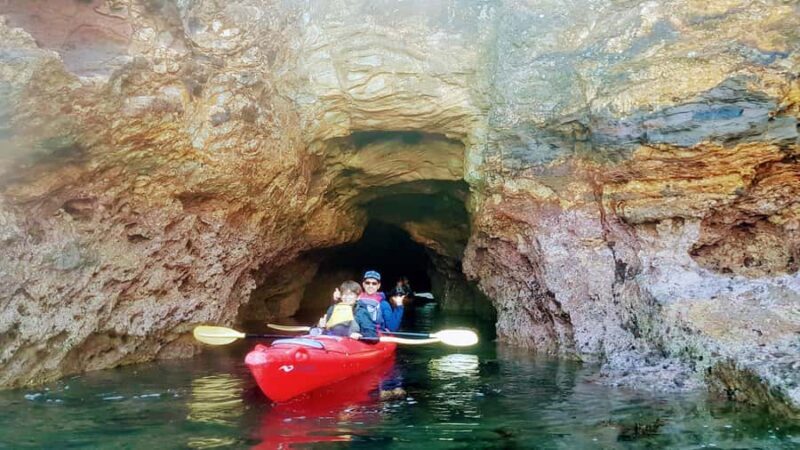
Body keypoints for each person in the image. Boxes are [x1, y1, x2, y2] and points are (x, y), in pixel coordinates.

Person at [354, 270, 386, 339]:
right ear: (363, 284)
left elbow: (392, 327)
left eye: (374, 283)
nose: (370, 286)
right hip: (355, 331)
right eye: (367, 283)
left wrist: (399, 307)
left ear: (378, 286)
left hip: (373, 333)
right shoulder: (354, 298)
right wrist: (336, 301)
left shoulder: (383, 304)